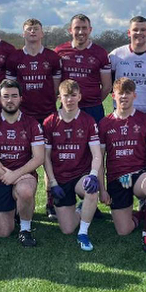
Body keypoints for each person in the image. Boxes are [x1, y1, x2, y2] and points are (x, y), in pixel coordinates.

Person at [99, 78, 146, 252]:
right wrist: (102, 188)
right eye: (120, 93)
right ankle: (142, 214)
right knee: (124, 230)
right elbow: (99, 160)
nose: (124, 96)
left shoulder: (145, 120)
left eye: (128, 93)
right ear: (113, 96)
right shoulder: (105, 123)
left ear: (134, 95)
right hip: (116, 179)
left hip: (138, 174)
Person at [0, 79, 45, 246]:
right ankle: (18, 210)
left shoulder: (31, 123)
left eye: (14, 96)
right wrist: (6, 176)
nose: (10, 100)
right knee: (3, 232)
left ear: (21, 98)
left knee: (25, 191)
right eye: (6, 96)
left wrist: (15, 175)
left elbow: (38, 157)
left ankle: (25, 229)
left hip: (23, 175)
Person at [42, 80, 102, 251]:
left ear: (79, 97)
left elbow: (97, 153)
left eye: (73, 96)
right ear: (59, 97)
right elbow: (45, 157)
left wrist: (92, 174)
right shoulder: (50, 122)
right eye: (66, 96)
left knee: (91, 190)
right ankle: (81, 210)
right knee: (67, 229)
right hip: (60, 180)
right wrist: (52, 183)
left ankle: (83, 232)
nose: (69, 100)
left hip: (79, 175)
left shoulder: (88, 121)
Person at [55, 14, 113, 123]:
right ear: (70, 30)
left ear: (90, 30)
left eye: (84, 28)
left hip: (93, 109)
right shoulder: (60, 51)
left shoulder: (100, 53)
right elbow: (55, 82)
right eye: (77, 28)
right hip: (67, 107)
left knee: (95, 140)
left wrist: (94, 101)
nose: (81, 32)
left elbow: (107, 86)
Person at [5, 18, 63, 123]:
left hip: (48, 113)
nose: (32, 31)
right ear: (23, 34)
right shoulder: (14, 58)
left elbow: (56, 88)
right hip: (22, 113)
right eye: (29, 29)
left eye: (36, 29)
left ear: (42, 33)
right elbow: (10, 87)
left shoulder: (52, 57)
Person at [109, 16, 146, 117]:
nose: (139, 33)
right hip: (122, 112)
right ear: (129, 33)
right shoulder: (116, 55)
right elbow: (108, 84)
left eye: (143, 30)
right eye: (135, 30)